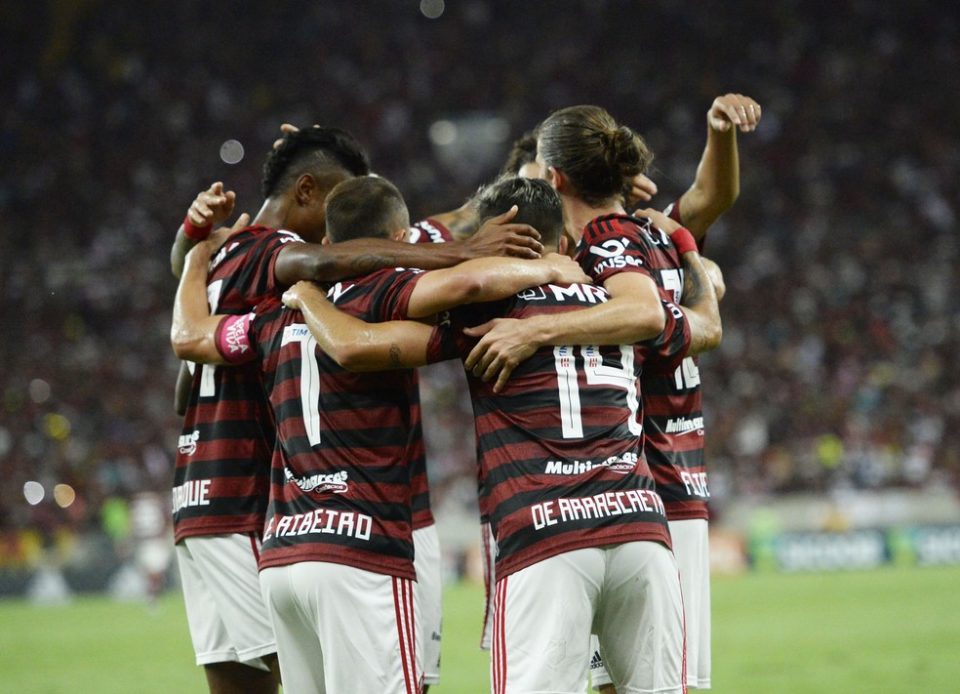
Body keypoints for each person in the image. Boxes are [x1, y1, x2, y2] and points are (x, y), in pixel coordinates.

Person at [281, 176, 721, 693]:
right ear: (563, 242)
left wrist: (311, 298)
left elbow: (359, 344)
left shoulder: (482, 312)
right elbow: (707, 323)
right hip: (640, 530)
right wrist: (689, 250)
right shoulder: (621, 305)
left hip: (544, 533)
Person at [173, 174, 589, 693]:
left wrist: (194, 259)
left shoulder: (269, 314)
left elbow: (190, 336)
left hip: (283, 556)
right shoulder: (384, 291)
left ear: (327, 244)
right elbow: (469, 285)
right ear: (400, 242)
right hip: (359, 548)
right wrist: (545, 266)